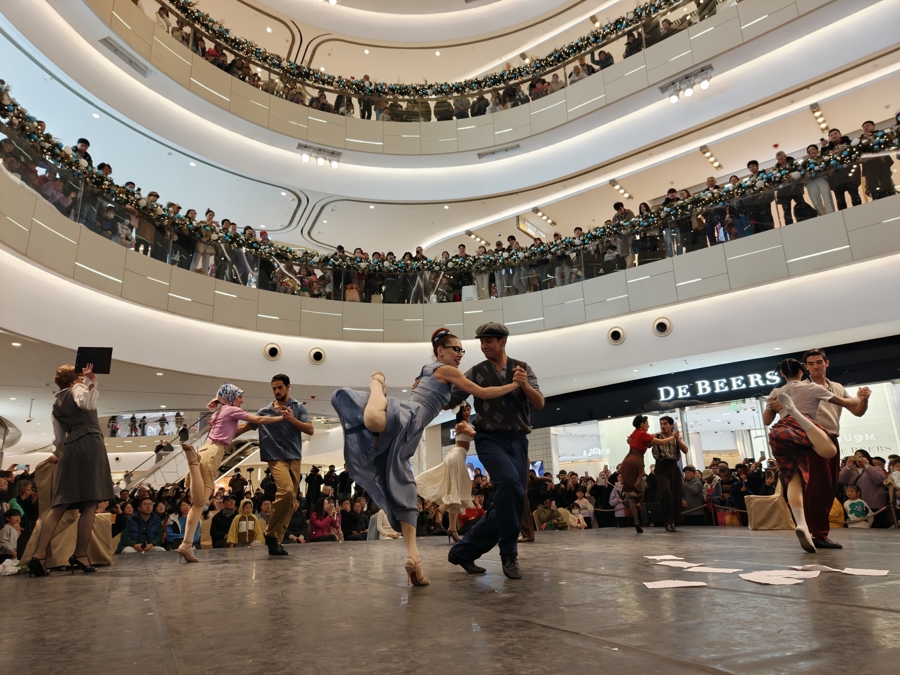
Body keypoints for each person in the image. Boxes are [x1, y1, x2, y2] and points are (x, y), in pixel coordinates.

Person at [332, 327, 518, 586]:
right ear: (440, 351)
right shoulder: (446, 370)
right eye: (456, 349)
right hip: (410, 417)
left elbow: (441, 400)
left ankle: (414, 559)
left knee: (404, 487)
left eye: (462, 350)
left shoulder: (430, 372)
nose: (460, 354)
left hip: (412, 431)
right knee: (373, 419)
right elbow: (482, 392)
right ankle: (378, 383)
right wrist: (514, 385)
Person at [446, 322, 544, 581]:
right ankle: (508, 554)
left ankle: (463, 551)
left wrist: (524, 385)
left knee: (509, 499)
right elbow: (451, 398)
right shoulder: (474, 373)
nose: (484, 345)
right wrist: (428, 388)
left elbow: (539, 402)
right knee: (511, 486)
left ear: (503, 342)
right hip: (489, 439)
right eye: (481, 341)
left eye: (489, 340)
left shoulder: (522, 369)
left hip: (519, 441)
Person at [764, 359, 865, 552]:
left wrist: (772, 407)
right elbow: (846, 402)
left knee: (793, 480)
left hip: (780, 432)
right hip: (804, 427)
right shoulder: (812, 388)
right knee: (830, 450)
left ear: (783, 374)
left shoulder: (775, 393)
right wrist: (860, 397)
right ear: (802, 372)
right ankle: (797, 414)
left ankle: (801, 523)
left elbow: (767, 420)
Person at [178, 384, 282, 562]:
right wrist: (283, 418)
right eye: (240, 396)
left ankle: (186, 545)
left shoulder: (220, 412)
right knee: (201, 501)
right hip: (212, 454)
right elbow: (259, 420)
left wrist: (251, 425)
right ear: (232, 397)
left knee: (197, 504)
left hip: (205, 450)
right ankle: (192, 462)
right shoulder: (231, 410)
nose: (242, 400)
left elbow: (235, 432)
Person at [28, 364, 115, 577]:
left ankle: (38, 557)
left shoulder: (56, 404)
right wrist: (91, 381)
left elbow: (58, 438)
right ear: (75, 378)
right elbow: (85, 403)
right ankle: (80, 554)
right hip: (90, 445)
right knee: (90, 502)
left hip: (71, 449)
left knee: (61, 503)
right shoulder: (78, 388)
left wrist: (58, 454)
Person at [236, 374, 313, 556]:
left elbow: (310, 429)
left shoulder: (297, 407)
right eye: (274, 388)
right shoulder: (265, 411)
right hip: (275, 457)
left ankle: (275, 541)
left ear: (288, 387)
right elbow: (245, 428)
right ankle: (271, 534)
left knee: (290, 501)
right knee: (286, 491)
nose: (277, 391)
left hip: (294, 456)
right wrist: (221, 432)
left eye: (280, 387)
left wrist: (292, 419)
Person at [415, 403, 476, 543]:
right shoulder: (461, 425)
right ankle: (440, 511)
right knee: (458, 491)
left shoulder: (469, 424)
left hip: (459, 457)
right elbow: (473, 434)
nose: (467, 411)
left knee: (455, 491)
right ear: (460, 412)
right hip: (456, 456)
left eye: (468, 409)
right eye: (464, 409)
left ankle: (452, 529)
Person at [620, 415, 676, 534]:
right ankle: (639, 500)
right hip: (636, 460)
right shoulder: (642, 433)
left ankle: (636, 520)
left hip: (627, 460)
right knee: (641, 487)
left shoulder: (635, 432)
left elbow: (629, 440)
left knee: (631, 494)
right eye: (647, 423)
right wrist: (673, 437)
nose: (648, 425)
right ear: (642, 424)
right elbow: (661, 442)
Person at [652, 415, 689, 532]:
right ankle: (669, 522)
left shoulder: (677, 436)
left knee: (676, 495)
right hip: (661, 466)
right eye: (661, 424)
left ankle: (674, 520)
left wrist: (676, 438)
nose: (663, 426)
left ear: (671, 425)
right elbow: (644, 444)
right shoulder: (656, 436)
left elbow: (685, 450)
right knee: (666, 492)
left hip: (673, 466)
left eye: (665, 424)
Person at [839, 450, 889, 528]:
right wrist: (847, 467)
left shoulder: (876, 468)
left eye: (863, 456)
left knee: (877, 529)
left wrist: (867, 466)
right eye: (857, 457)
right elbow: (841, 480)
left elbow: (879, 480)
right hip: (854, 505)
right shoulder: (851, 469)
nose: (860, 459)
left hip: (873, 506)